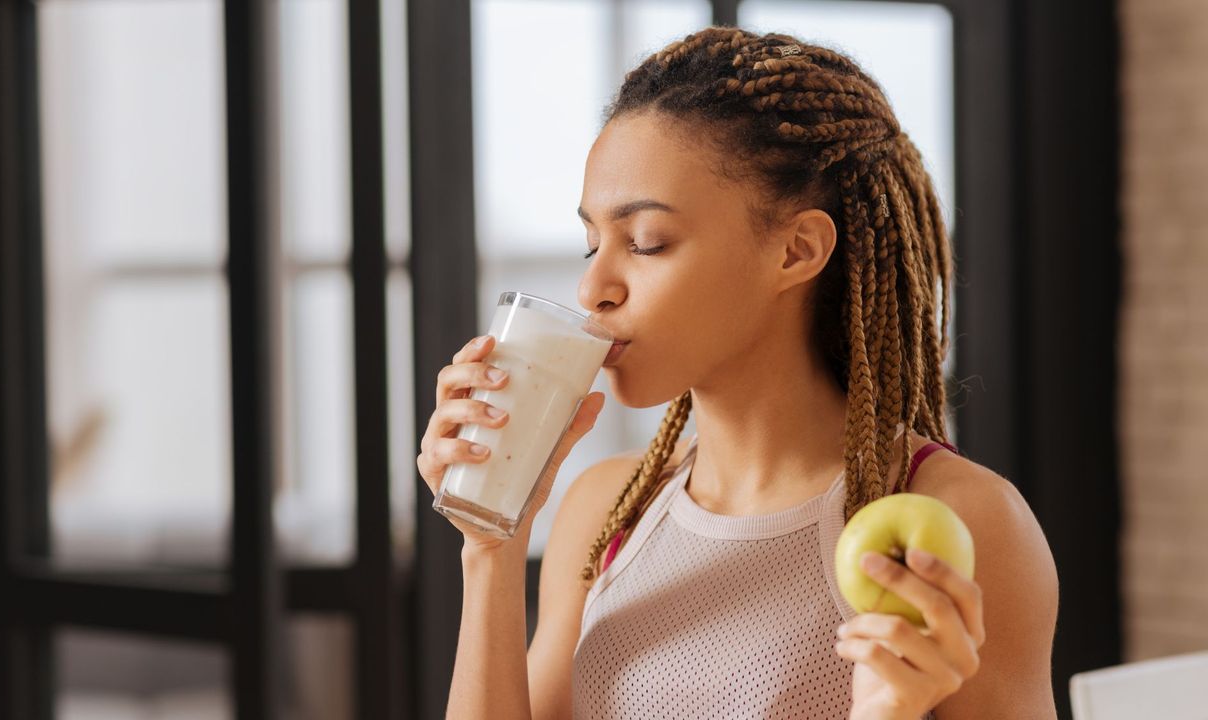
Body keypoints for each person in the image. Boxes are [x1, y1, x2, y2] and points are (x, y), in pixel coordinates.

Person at [417, 26, 1058, 720]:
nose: (593, 288)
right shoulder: (608, 511)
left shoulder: (962, 521)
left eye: (645, 243)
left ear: (796, 250)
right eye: (591, 244)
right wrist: (491, 548)